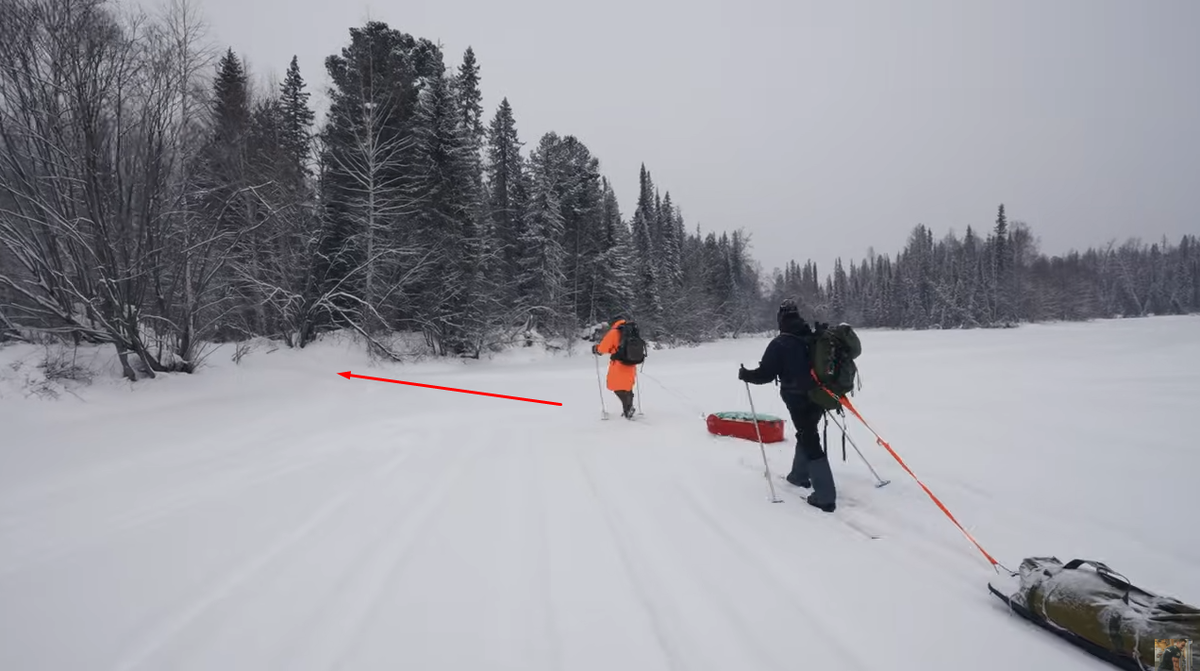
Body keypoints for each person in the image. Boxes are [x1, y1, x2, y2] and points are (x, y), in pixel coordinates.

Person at [738, 299, 837, 512]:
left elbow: (765, 374)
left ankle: (826, 496)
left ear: (780, 319)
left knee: (810, 439)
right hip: (819, 396)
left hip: (797, 398)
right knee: (807, 433)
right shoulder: (810, 335)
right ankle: (799, 476)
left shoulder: (780, 343)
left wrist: (746, 374)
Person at [593, 318, 638, 418]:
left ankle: (628, 408)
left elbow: (603, 348)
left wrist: (596, 349)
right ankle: (628, 408)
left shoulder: (614, 332)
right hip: (631, 363)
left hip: (619, 364)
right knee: (627, 386)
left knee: (616, 387)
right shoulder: (632, 331)